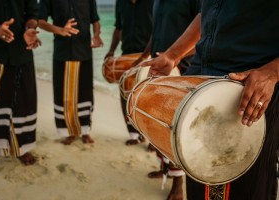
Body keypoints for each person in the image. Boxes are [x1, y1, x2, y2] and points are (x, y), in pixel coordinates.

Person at [141, 0, 279, 199]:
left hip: (251, 91)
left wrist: (272, 72)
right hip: (201, 84)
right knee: (200, 183)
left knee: (248, 190)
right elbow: (208, 11)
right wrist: (173, 54)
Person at [135, 1, 200, 199]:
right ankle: (164, 169)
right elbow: (156, 32)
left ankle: (178, 185)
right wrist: (145, 55)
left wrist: (175, 55)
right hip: (160, 67)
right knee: (159, 125)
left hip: (183, 68)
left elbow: (205, 33)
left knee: (174, 128)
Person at [0, 0, 41, 168]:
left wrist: (29, 29)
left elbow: (33, 14)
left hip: (21, 51)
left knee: (22, 104)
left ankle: (21, 149)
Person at [38, 0, 104, 145]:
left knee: (85, 94)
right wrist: (60, 30)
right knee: (65, 96)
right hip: (62, 52)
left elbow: (95, 19)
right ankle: (70, 131)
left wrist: (97, 34)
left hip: (84, 53)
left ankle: (85, 131)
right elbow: (40, 21)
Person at [104, 0, 153, 146]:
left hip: (148, 56)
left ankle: (151, 139)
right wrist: (112, 50)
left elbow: (158, 30)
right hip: (127, 55)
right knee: (126, 97)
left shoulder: (152, 2)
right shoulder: (121, 2)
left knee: (148, 100)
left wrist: (145, 55)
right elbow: (118, 28)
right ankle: (133, 134)